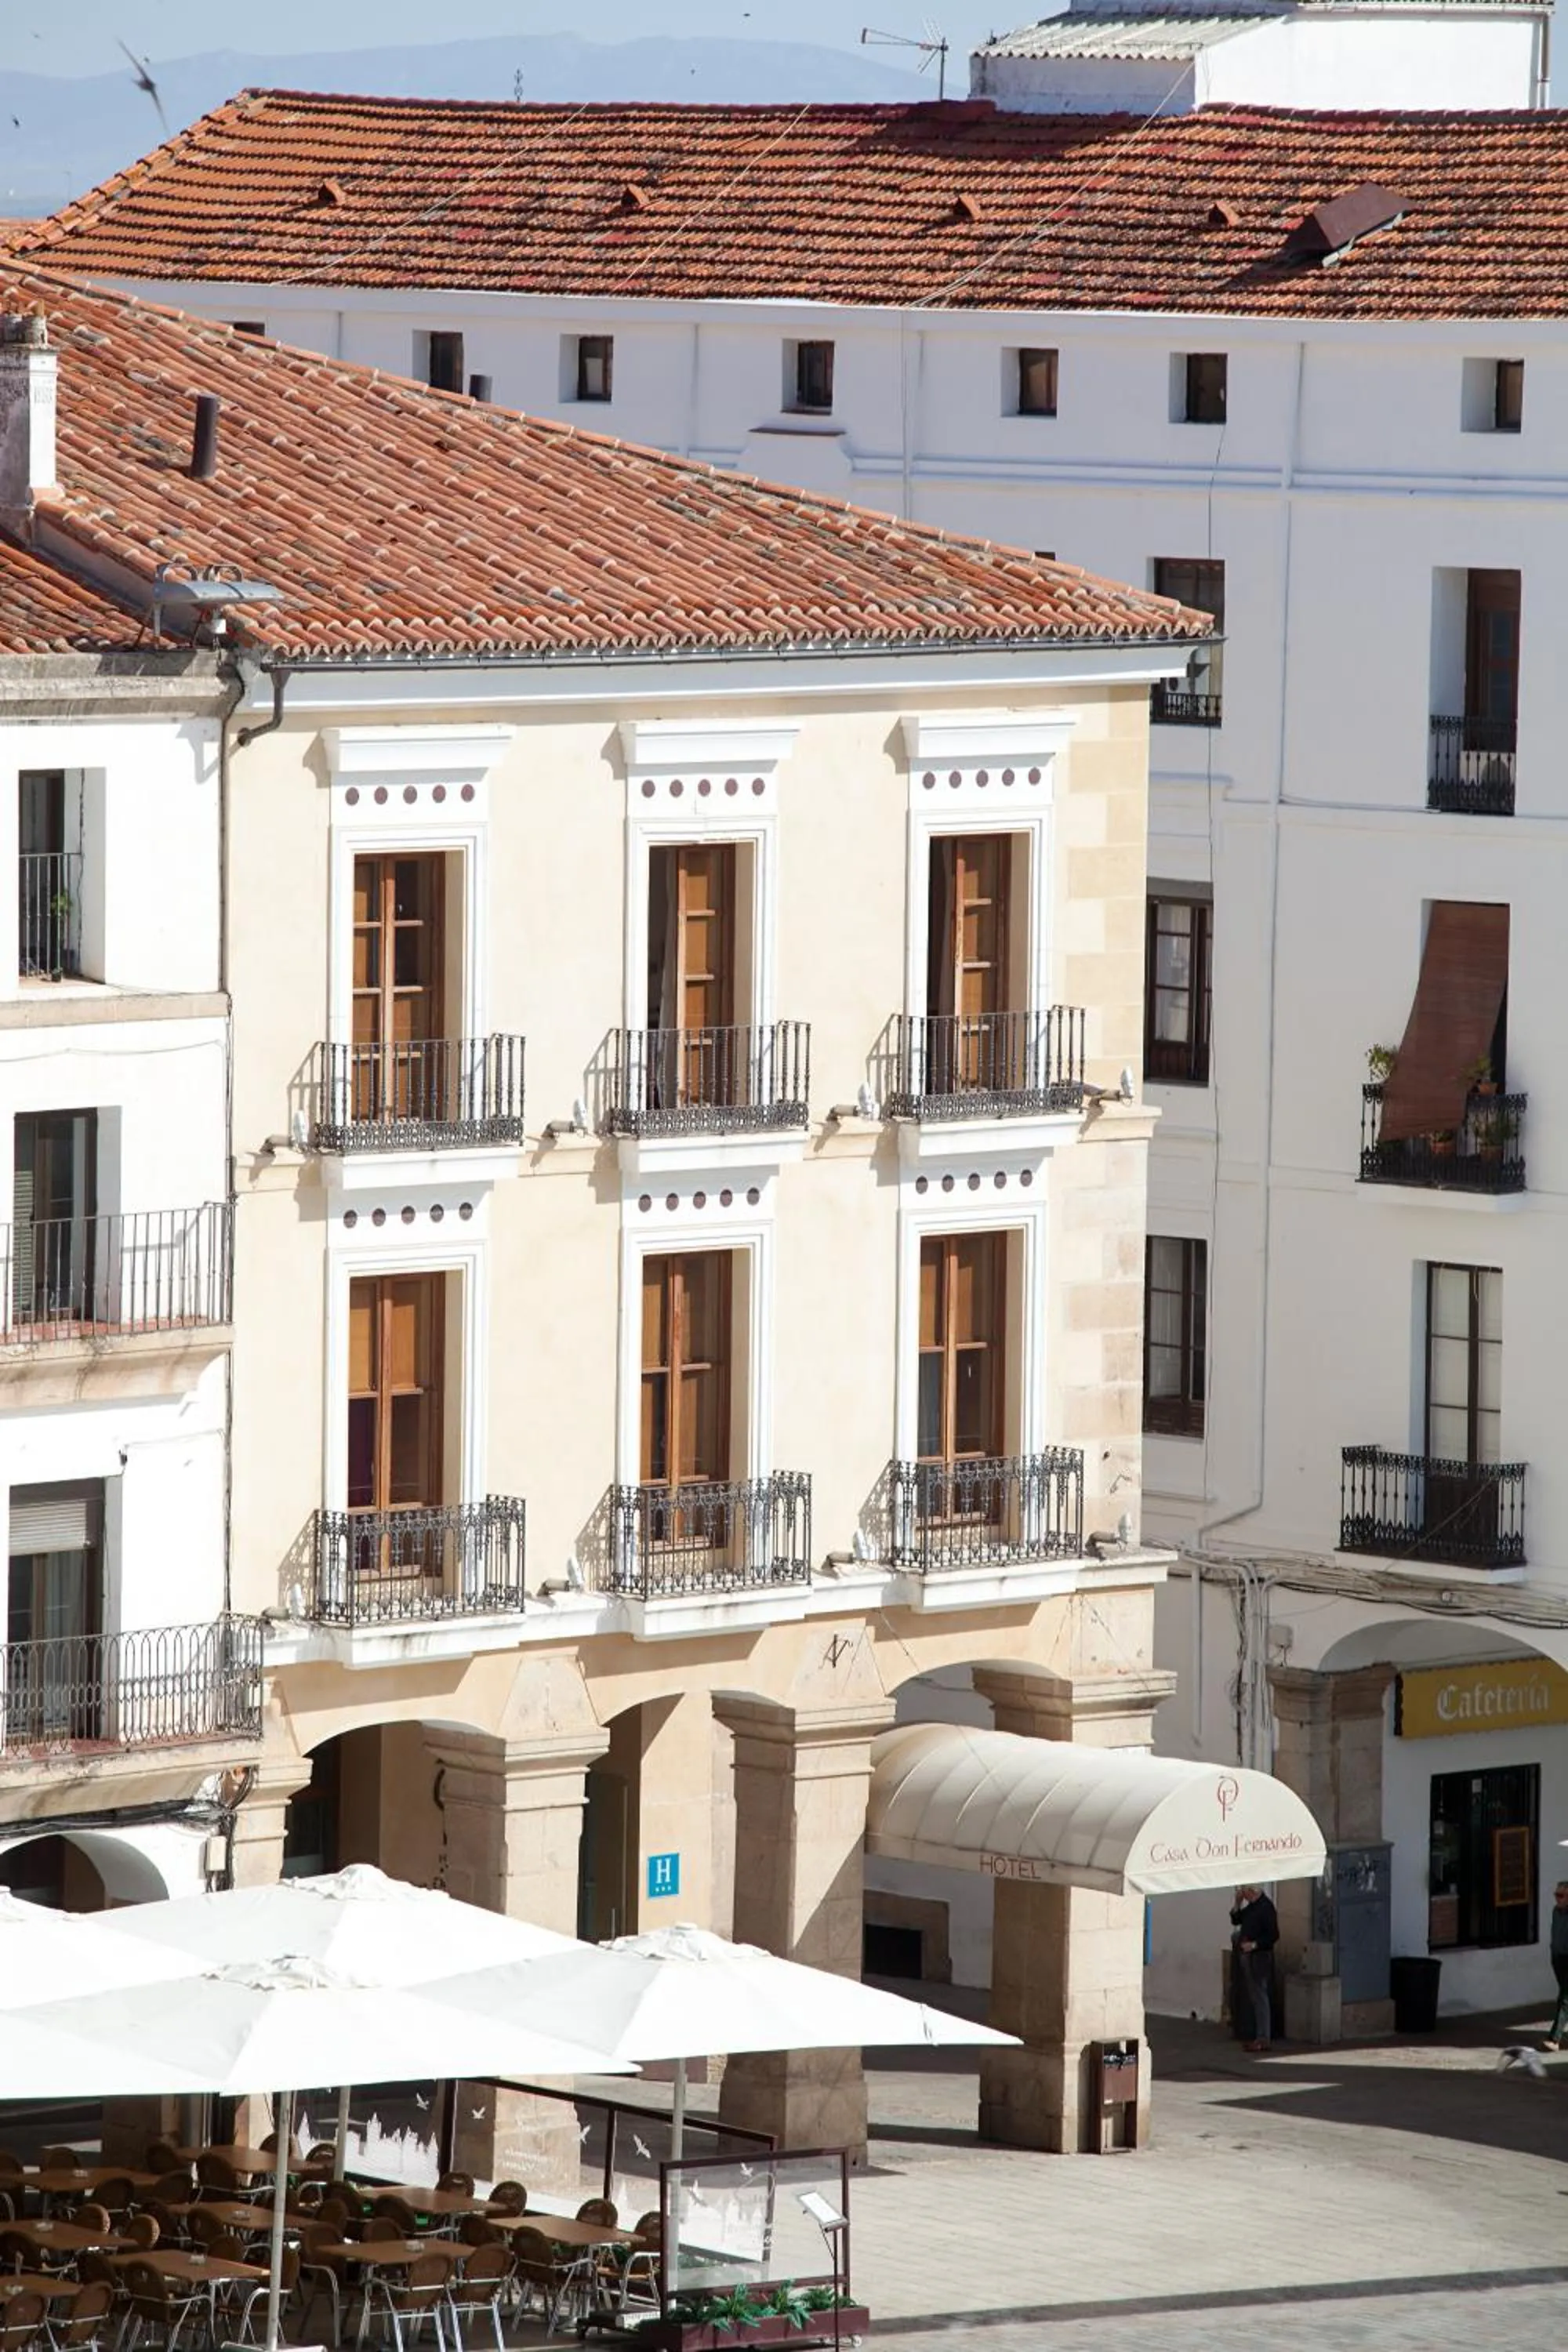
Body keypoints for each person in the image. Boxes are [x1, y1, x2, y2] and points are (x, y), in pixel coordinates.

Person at [1230, 1883, 1279, 2054]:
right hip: (1247, 1956)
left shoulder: (1266, 1908)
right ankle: (1258, 2035)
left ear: (1253, 1892)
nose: (1244, 1895)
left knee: (1260, 1996)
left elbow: (1273, 1935)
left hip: (1259, 1958)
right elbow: (1236, 1920)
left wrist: (1254, 1945)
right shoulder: (1252, 1907)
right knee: (1254, 1995)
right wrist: (1237, 1903)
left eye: (1245, 1892)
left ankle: (1263, 2037)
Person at [1541, 1882, 1568, 2052]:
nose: (1557, 1899)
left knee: (1565, 1998)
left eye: (1561, 1895)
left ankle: (1554, 2038)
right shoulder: (1556, 1912)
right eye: (1556, 1895)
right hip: (1558, 1958)